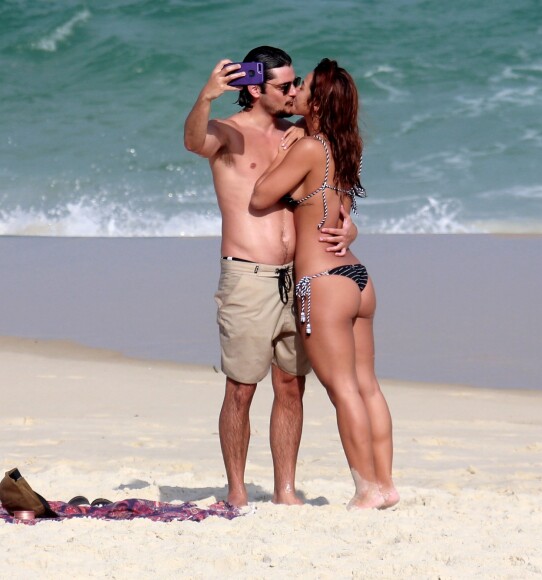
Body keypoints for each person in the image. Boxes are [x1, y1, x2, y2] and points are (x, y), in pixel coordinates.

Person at [183, 47, 357, 507]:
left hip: (297, 277)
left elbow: (334, 180)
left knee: (291, 385)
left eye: (295, 83)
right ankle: (237, 491)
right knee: (241, 388)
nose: (293, 92)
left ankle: (285, 490)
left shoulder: (297, 136)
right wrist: (206, 98)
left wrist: (349, 224)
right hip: (247, 276)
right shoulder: (228, 134)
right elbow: (193, 142)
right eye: (284, 86)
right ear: (255, 90)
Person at [251, 59, 399, 510]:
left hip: (322, 282)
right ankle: (386, 483)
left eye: (304, 85)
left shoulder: (310, 148)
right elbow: (343, 212)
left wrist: (283, 150)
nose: (294, 89)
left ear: (317, 101)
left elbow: (260, 195)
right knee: (368, 385)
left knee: (343, 389)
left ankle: (367, 488)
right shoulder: (341, 146)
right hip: (356, 277)